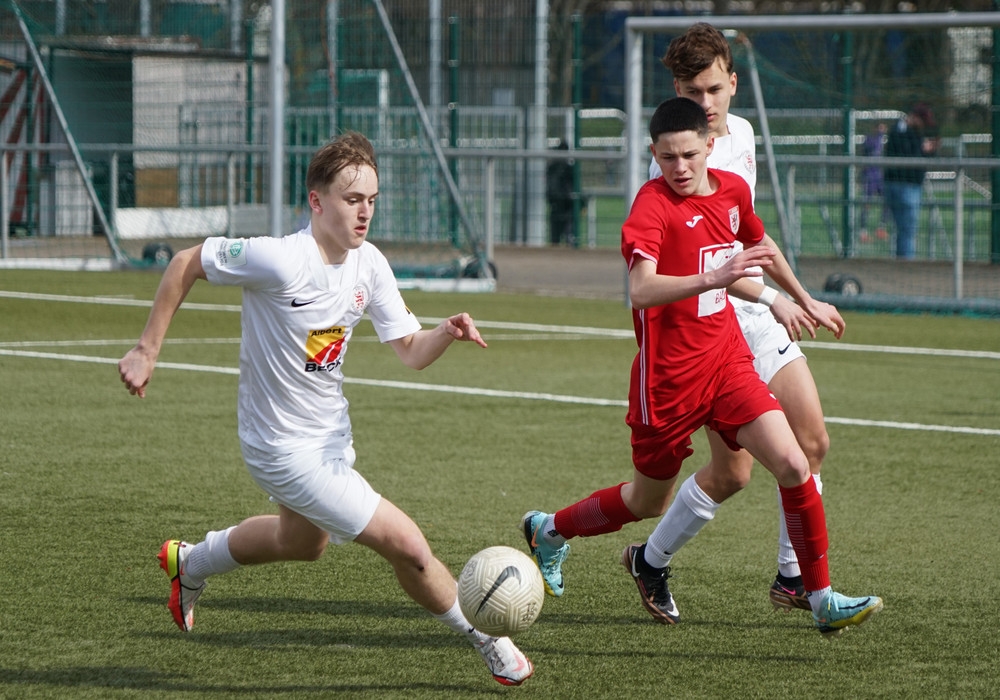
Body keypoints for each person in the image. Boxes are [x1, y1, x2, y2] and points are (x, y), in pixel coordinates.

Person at [117, 132, 533, 687]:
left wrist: (444, 332)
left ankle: (190, 563)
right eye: (352, 199)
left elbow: (410, 351)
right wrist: (147, 350)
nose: (365, 212)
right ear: (316, 201)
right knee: (408, 546)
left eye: (372, 200)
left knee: (302, 543)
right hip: (280, 448)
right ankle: (487, 637)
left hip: (330, 439)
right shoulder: (279, 259)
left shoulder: (369, 264)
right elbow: (185, 263)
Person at [524, 22, 850, 622]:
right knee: (688, 486)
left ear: (732, 84)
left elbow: (751, 239)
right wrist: (753, 291)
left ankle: (805, 586)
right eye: (693, 92)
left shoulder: (737, 148)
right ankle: (575, 535)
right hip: (680, 354)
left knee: (805, 448)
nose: (705, 103)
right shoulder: (660, 191)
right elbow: (664, 280)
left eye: (713, 90)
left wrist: (797, 299)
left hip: (732, 333)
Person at [884, 103, 937, 259]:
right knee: (907, 229)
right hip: (905, 186)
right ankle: (906, 262)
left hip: (905, 185)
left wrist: (929, 150)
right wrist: (923, 149)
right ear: (914, 117)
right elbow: (906, 154)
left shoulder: (912, 133)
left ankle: (902, 260)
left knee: (905, 229)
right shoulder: (900, 131)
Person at [859, 122, 888, 242]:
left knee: (887, 201)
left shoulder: (883, 141)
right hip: (869, 176)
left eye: (884, 128)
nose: (882, 130)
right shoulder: (869, 139)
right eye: (880, 128)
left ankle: (881, 227)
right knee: (867, 203)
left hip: (879, 176)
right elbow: (867, 150)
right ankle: (863, 232)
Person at [546, 140, 576, 246]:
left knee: (557, 238)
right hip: (564, 205)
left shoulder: (553, 168)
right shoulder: (562, 169)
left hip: (560, 205)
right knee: (566, 237)